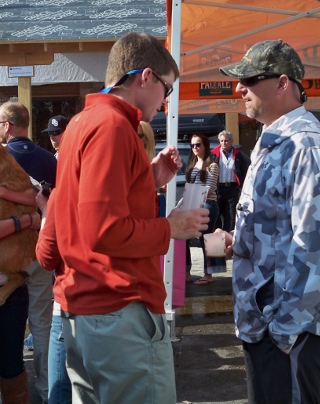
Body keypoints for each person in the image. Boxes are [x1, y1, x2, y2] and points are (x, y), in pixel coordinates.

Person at [37, 32, 209, 403]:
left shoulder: (80, 126)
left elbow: (61, 228)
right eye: (167, 89)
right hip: (119, 311)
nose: (165, 103)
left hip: (82, 312)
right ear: (145, 77)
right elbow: (104, 230)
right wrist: (170, 227)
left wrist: (147, 180)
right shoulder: (114, 127)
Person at [219, 39, 320, 403]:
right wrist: (238, 239)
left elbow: (315, 249)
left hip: (288, 335)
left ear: (282, 83)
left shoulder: (308, 148)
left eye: (249, 79)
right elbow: (281, 227)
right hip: (266, 326)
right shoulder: (273, 141)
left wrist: (284, 332)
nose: (239, 88)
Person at [1, 101, 56, 403]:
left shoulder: (2, 158)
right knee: (41, 321)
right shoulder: (49, 159)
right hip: (42, 249)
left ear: (7, 126)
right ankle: (47, 389)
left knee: (9, 326)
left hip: (8, 256)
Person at [0, 185, 41, 404]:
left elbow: (33, 196)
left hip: (13, 284)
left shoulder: (9, 169)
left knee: (12, 365)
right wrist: (23, 221)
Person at [185, 133, 226, 285]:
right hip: (192, 204)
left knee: (208, 238)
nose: (194, 148)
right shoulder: (193, 164)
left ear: (205, 146)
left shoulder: (212, 165)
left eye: (198, 144)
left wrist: (193, 192)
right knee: (184, 237)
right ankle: (186, 272)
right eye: (192, 145)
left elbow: (209, 189)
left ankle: (209, 275)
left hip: (208, 204)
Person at [211, 130, 250, 232]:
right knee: (216, 215)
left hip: (232, 189)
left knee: (231, 215)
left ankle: (229, 237)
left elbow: (245, 171)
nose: (224, 143)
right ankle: (217, 237)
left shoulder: (239, 155)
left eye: (226, 141)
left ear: (231, 141)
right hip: (218, 188)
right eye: (222, 141)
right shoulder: (213, 154)